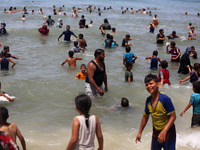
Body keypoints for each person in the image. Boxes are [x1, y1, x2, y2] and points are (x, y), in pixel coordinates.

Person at [135, 74, 176, 150]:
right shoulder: (148, 100)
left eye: (151, 83)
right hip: (156, 132)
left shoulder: (165, 99)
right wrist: (140, 132)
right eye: (146, 85)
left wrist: (164, 131)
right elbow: (145, 116)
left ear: (158, 84)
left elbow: (173, 116)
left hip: (168, 133)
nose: (148, 86)